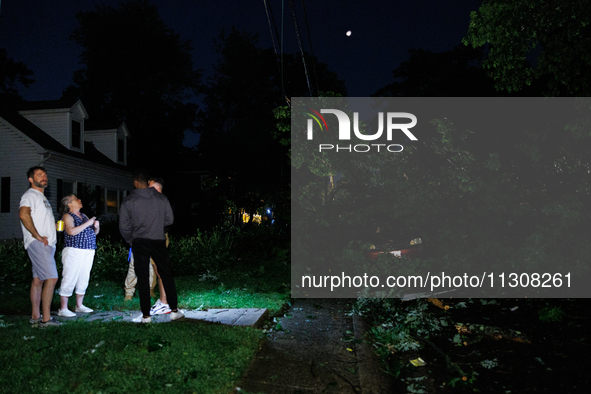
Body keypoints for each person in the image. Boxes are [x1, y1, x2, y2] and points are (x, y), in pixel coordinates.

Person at [119, 170, 183, 323]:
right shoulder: (161, 198)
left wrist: (131, 239)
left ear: (135, 183)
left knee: (142, 277)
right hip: (158, 239)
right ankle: (174, 310)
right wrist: (157, 228)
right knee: (166, 273)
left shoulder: (129, 200)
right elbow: (169, 219)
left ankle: (146, 316)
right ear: (147, 183)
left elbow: (124, 225)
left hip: (139, 241)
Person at [19, 166, 60, 328]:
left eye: (44, 174)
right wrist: (37, 236)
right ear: (31, 179)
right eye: (38, 175)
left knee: (38, 280)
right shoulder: (30, 195)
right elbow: (23, 214)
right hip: (39, 243)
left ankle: (35, 317)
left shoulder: (41, 197)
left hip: (47, 244)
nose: (43, 177)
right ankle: (46, 320)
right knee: (52, 277)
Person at [57, 195, 100, 317]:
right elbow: (71, 231)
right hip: (74, 250)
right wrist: (88, 223)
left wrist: (96, 227)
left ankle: (79, 305)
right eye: (76, 199)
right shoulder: (68, 216)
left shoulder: (84, 216)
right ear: (69, 204)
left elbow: (93, 233)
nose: (80, 200)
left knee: (83, 277)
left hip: (88, 250)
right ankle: (63, 308)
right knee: (70, 276)